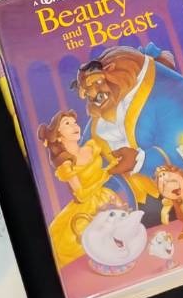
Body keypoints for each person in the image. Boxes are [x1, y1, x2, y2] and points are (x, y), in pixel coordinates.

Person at [36, 109, 124, 267]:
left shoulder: (91, 146)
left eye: (74, 122)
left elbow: (112, 158)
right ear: (59, 135)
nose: (74, 126)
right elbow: (81, 195)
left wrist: (116, 164)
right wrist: (107, 174)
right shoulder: (66, 164)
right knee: (80, 245)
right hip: (86, 208)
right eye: (67, 124)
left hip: (106, 198)